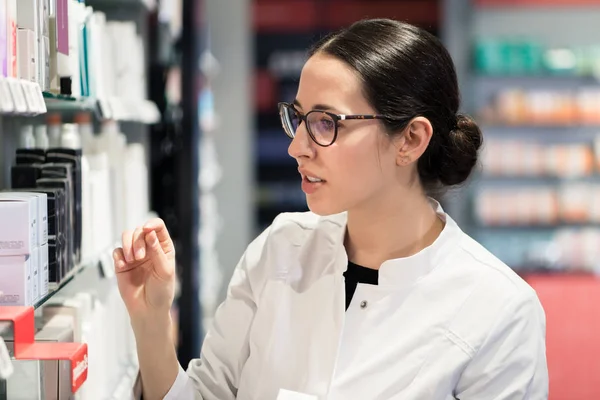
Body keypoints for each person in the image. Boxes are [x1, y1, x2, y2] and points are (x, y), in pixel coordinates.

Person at [113, 18, 548, 400]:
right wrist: (150, 323)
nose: (296, 147)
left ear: (411, 140)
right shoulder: (279, 248)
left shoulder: (499, 311)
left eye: (326, 123)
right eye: (298, 118)